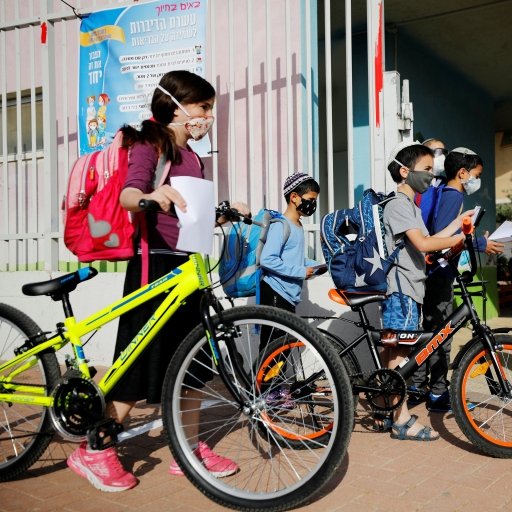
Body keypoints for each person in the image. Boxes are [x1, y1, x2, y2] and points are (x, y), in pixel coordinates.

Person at [66, 70, 247, 492]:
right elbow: (131, 193)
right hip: (155, 266)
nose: (207, 117)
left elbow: (189, 213)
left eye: (209, 109)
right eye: (203, 108)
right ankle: (95, 449)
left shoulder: (194, 158)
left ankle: (188, 449)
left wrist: (222, 213)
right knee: (138, 360)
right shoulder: (150, 144)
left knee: (195, 363)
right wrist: (153, 196)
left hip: (189, 269)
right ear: (178, 107)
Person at [378, 140, 474, 441]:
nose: (432, 176)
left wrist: (457, 224)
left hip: (410, 287)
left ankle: (387, 408)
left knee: (396, 349)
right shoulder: (398, 204)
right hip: (403, 288)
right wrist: (455, 242)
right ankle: (401, 419)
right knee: (400, 353)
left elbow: (428, 238)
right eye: (427, 170)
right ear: (405, 171)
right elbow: (423, 245)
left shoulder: (409, 205)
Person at [408, 147, 504, 412]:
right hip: (439, 275)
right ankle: (438, 393)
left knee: (429, 332)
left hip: (431, 274)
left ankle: (416, 387)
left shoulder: (438, 191)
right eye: (476, 174)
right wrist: (481, 243)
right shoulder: (452, 195)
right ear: (462, 173)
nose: (477, 179)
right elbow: (442, 238)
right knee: (443, 334)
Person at [259, 171, 322, 315]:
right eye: (311, 199)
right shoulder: (280, 225)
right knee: (274, 338)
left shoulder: (298, 226)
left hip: (288, 297)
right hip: (276, 292)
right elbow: (267, 259)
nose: (313, 204)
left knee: (287, 339)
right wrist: (301, 271)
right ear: (294, 197)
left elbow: (293, 258)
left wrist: (316, 266)